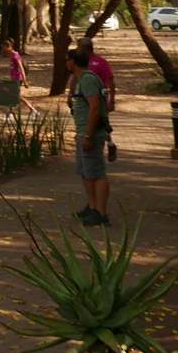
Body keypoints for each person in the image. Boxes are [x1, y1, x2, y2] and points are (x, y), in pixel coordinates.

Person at [67, 46, 112, 224]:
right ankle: (92, 207)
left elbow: (94, 108)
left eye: (67, 60)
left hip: (91, 133)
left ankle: (101, 212)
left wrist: (88, 135)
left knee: (96, 173)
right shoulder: (79, 80)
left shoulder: (88, 80)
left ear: (73, 62)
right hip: (82, 132)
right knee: (86, 172)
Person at [80, 37, 118, 160]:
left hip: (100, 98)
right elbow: (75, 79)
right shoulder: (81, 63)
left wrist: (112, 100)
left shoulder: (100, 62)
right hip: (84, 99)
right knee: (89, 122)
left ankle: (107, 145)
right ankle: (106, 143)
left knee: (101, 122)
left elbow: (111, 80)